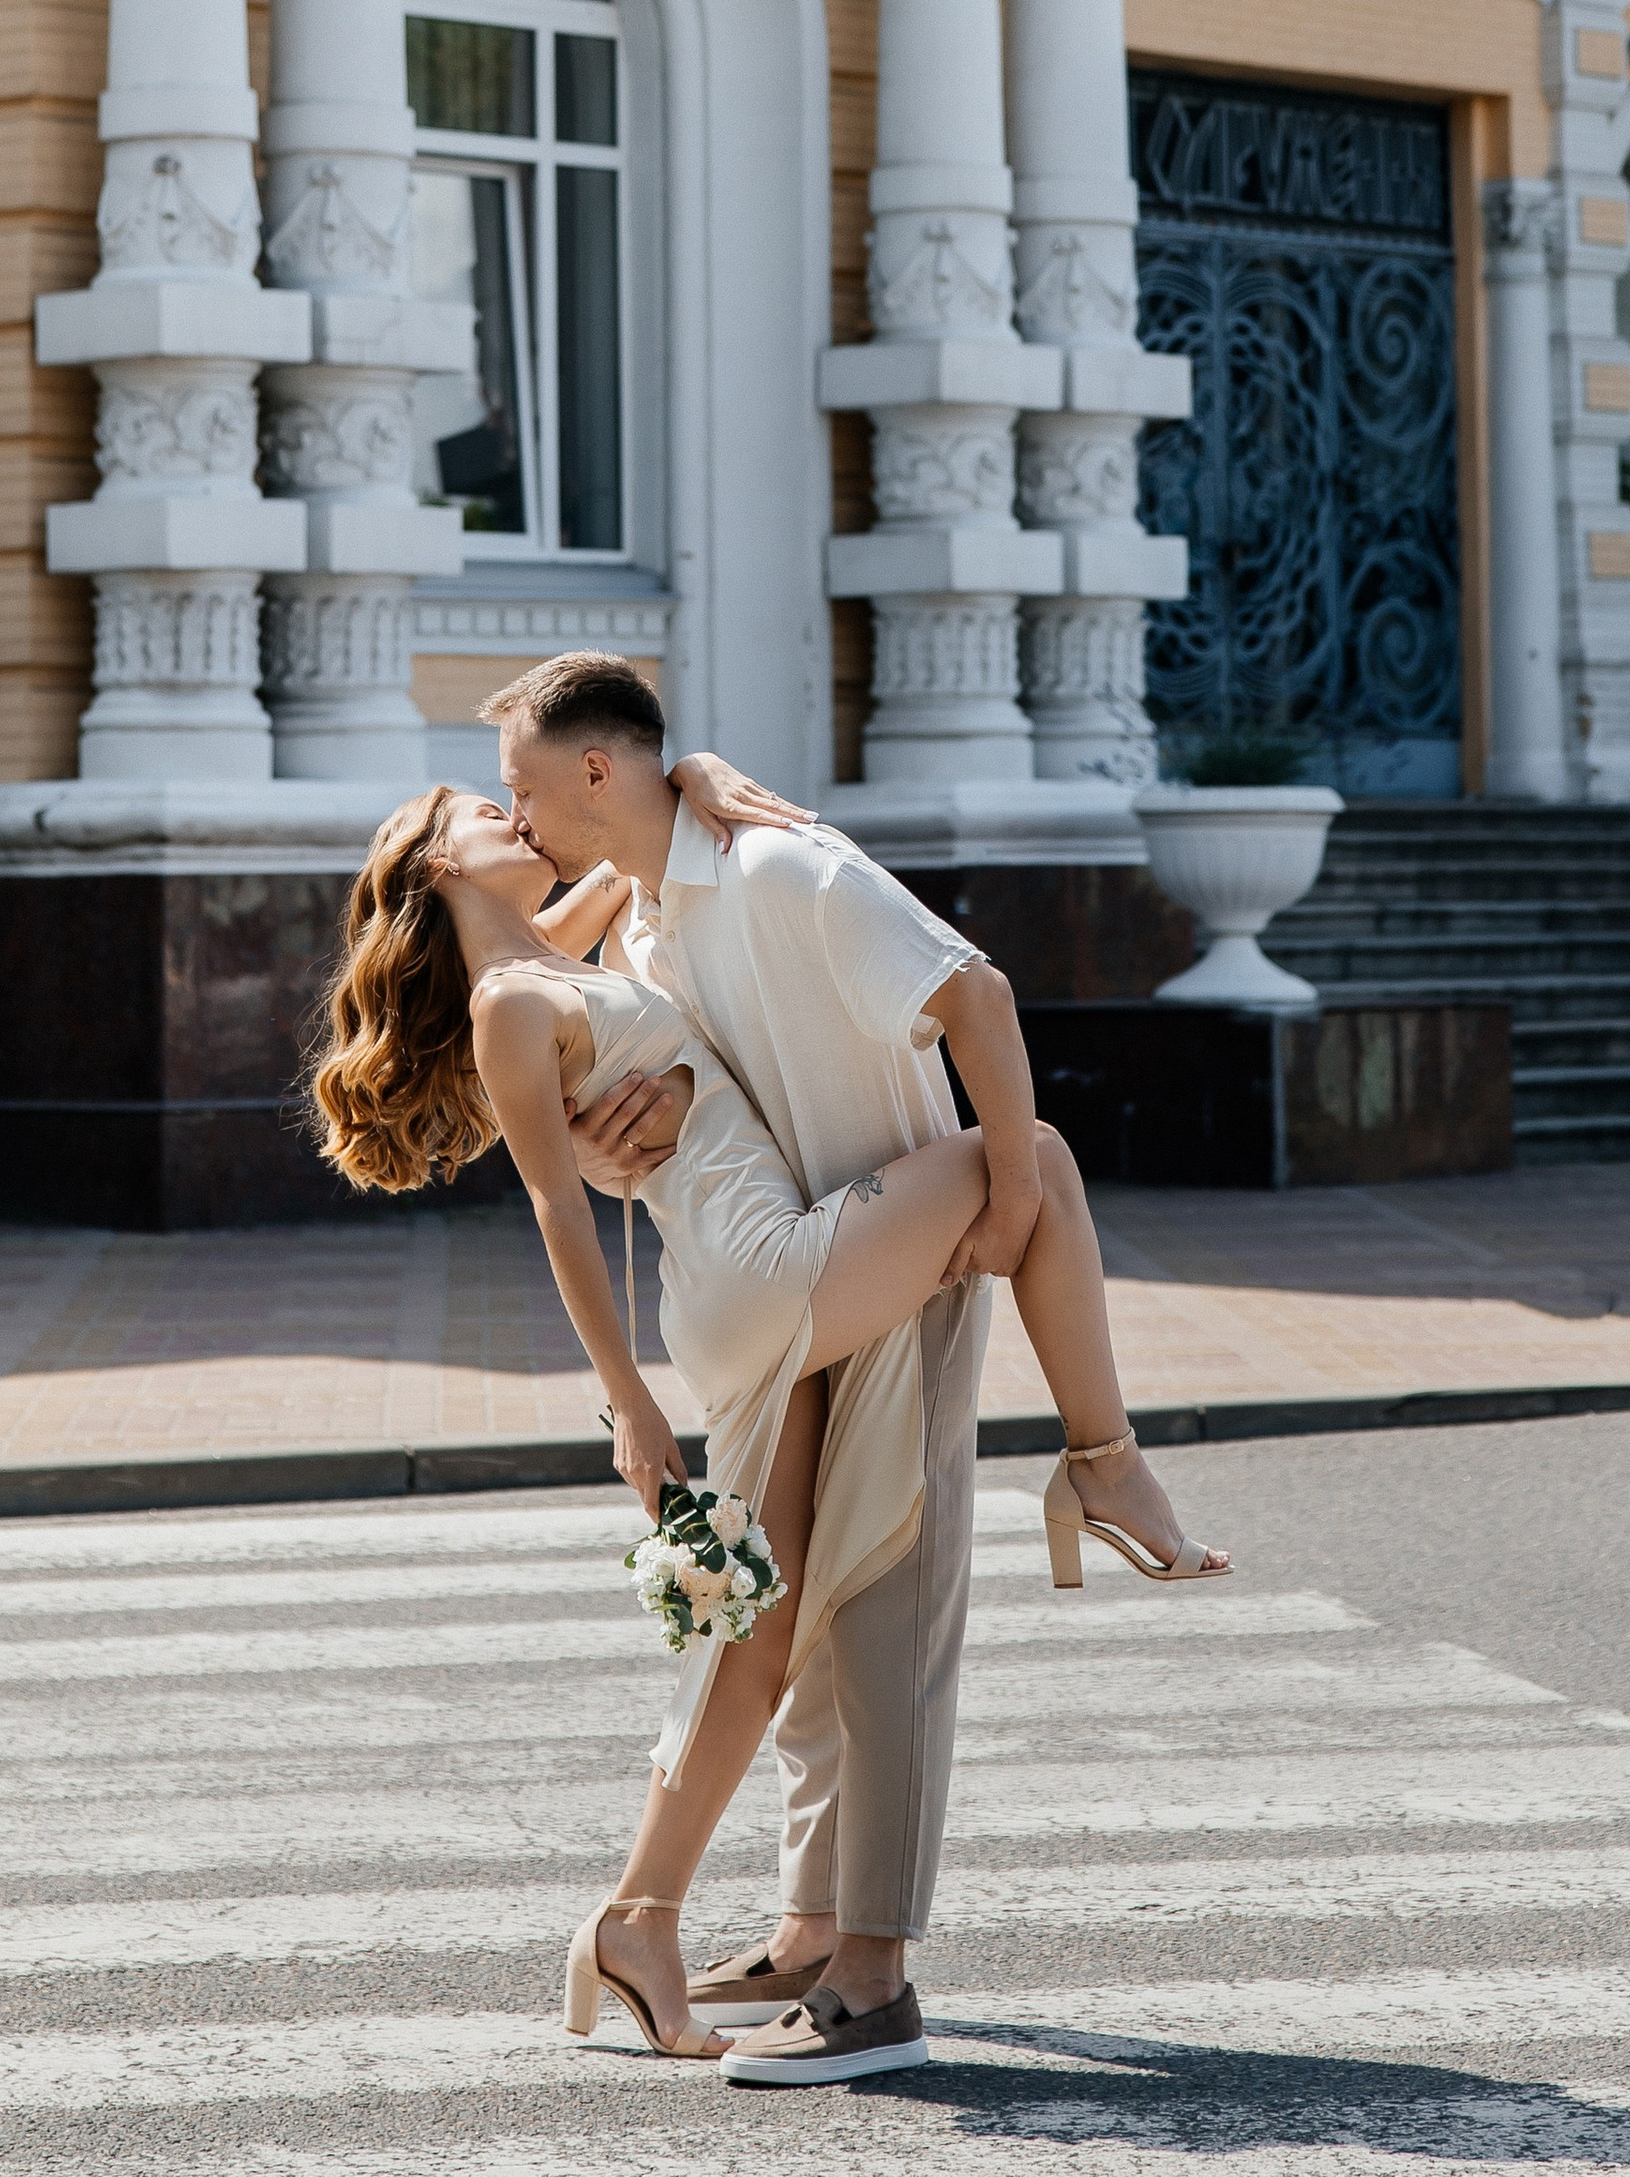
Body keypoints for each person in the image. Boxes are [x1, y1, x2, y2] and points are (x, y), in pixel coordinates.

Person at [308, 659, 1224, 2089]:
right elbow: (559, 1203)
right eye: (482, 808)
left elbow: (660, 854)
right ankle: (1101, 1464)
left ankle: (649, 1923)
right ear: (440, 868)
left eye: (522, 786)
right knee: (1030, 1163)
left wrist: (702, 777)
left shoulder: (617, 915)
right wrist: (631, 1410)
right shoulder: (522, 989)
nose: (511, 809)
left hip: (767, 1265)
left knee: (764, 1627)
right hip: (764, 1272)